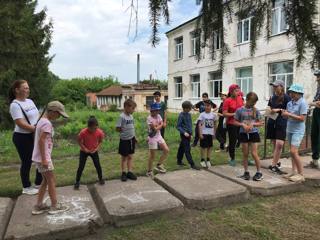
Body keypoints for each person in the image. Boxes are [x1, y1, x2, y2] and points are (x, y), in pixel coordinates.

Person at [31, 101, 69, 215]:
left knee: (45, 181)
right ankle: (54, 205)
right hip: (43, 158)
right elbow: (42, 141)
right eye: (58, 114)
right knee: (51, 180)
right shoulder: (46, 123)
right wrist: (44, 159)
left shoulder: (41, 121)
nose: (58, 117)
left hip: (39, 157)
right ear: (52, 112)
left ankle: (39, 205)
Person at [9, 80, 42, 195]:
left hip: (34, 134)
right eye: (25, 88)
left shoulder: (30, 101)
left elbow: (37, 116)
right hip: (22, 137)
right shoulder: (15, 105)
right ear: (17, 90)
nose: (28, 90)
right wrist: (35, 129)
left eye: (28, 88)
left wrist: (41, 126)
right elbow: (20, 123)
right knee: (27, 161)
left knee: (39, 158)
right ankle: (26, 187)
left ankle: (39, 183)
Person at [234, 92, 264, 181]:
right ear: (246, 100)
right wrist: (242, 125)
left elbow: (261, 122)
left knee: (254, 153)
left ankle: (259, 172)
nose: (253, 104)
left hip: (254, 134)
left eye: (254, 103)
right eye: (252, 102)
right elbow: (235, 122)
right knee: (245, 154)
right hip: (243, 134)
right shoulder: (240, 110)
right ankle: (246, 172)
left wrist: (253, 124)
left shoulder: (256, 110)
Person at [281, 83, 308, 182]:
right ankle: (293, 171)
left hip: (298, 130)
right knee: (292, 152)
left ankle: (301, 174)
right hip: (290, 129)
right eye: (291, 92)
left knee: (293, 151)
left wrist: (289, 114)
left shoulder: (303, 103)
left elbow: (302, 118)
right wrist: (285, 114)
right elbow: (288, 115)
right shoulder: (289, 103)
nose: (291, 94)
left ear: (299, 93)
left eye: (293, 93)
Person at [266, 80, 291, 174]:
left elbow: (290, 110)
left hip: (282, 121)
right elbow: (269, 106)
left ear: (282, 87)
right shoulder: (272, 96)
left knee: (279, 144)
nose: (274, 88)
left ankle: (273, 165)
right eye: (273, 86)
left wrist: (279, 109)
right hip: (272, 121)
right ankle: (276, 162)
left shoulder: (287, 97)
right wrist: (269, 109)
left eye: (276, 86)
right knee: (274, 143)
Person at [74, 116, 105, 190]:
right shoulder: (83, 132)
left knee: (97, 165)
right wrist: (84, 149)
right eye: (92, 128)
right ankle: (77, 182)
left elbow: (100, 141)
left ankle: (100, 179)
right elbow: (79, 141)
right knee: (81, 166)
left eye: (95, 128)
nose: (94, 130)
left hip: (94, 151)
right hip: (84, 151)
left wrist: (96, 149)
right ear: (88, 127)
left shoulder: (99, 132)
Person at [116, 99, 138, 182]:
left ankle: (129, 172)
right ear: (126, 107)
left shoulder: (131, 116)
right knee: (124, 157)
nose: (133, 110)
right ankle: (124, 173)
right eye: (132, 108)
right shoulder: (121, 116)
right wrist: (122, 130)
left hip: (131, 139)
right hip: (124, 140)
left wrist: (134, 137)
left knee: (130, 156)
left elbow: (132, 127)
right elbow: (117, 128)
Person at [146, 103, 170, 178]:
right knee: (152, 155)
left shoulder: (159, 116)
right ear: (152, 110)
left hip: (159, 136)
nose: (158, 112)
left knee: (166, 150)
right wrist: (159, 126)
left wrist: (159, 126)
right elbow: (155, 129)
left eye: (158, 110)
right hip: (152, 137)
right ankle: (149, 171)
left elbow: (161, 124)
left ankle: (159, 165)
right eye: (156, 110)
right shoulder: (149, 118)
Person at [223, 84, 244, 166]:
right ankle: (232, 159)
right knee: (233, 141)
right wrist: (234, 114)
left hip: (241, 123)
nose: (238, 92)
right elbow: (224, 114)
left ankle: (246, 158)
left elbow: (243, 108)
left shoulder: (240, 98)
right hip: (231, 124)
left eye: (238, 90)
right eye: (236, 90)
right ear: (231, 92)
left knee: (244, 140)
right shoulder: (227, 101)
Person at [176, 101, 200, 170]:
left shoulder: (189, 114)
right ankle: (192, 164)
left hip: (189, 134)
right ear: (185, 108)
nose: (190, 109)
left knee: (182, 147)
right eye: (189, 108)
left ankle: (179, 161)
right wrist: (184, 132)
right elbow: (178, 126)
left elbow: (189, 124)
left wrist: (191, 133)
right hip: (184, 135)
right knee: (187, 149)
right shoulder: (181, 115)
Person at [198, 100, 217, 168]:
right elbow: (199, 124)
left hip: (210, 133)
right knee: (203, 147)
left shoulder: (214, 115)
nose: (207, 107)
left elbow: (215, 124)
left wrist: (214, 133)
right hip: (204, 133)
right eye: (205, 106)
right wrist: (200, 133)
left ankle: (208, 159)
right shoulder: (202, 114)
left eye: (208, 106)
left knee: (209, 146)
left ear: (211, 106)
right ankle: (202, 160)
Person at [309, 70, 320, 169]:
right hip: (317, 111)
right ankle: (315, 160)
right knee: (314, 135)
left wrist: (311, 103)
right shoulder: (319, 87)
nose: (317, 78)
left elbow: (318, 103)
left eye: (319, 76)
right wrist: (314, 103)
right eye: (317, 76)